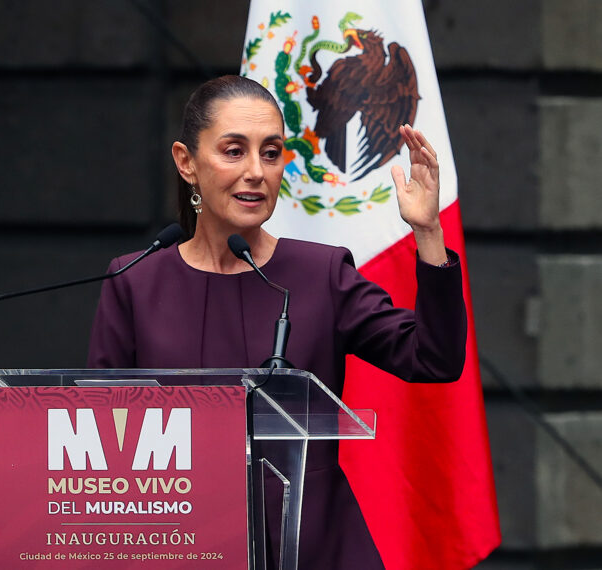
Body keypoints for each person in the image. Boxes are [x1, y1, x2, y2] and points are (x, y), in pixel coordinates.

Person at [88, 75, 466, 568]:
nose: (256, 172)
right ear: (186, 162)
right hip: (181, 549)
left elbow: (434, 359)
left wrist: (428, 231)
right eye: (233, 151)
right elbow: (97, 434)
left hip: (314, 549)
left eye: (271, 153)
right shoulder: (135, 281)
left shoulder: (321, 274)